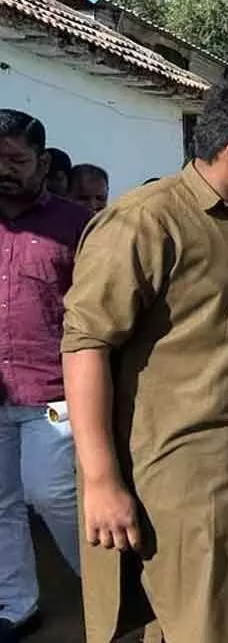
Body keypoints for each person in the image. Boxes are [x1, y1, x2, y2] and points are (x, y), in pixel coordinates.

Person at [61, 79, 228, 643]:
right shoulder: (146, 222)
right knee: (195, 622)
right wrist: (100, 479)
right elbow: (85, 345)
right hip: (184, 486)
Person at [0, 110, 88, 641]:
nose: (4, 170)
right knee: (1, 503)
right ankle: (16, 604)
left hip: (53, 392)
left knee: (50, 493)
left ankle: (109, 583)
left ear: (43, 162)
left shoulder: (75, 225)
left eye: (16, 160)